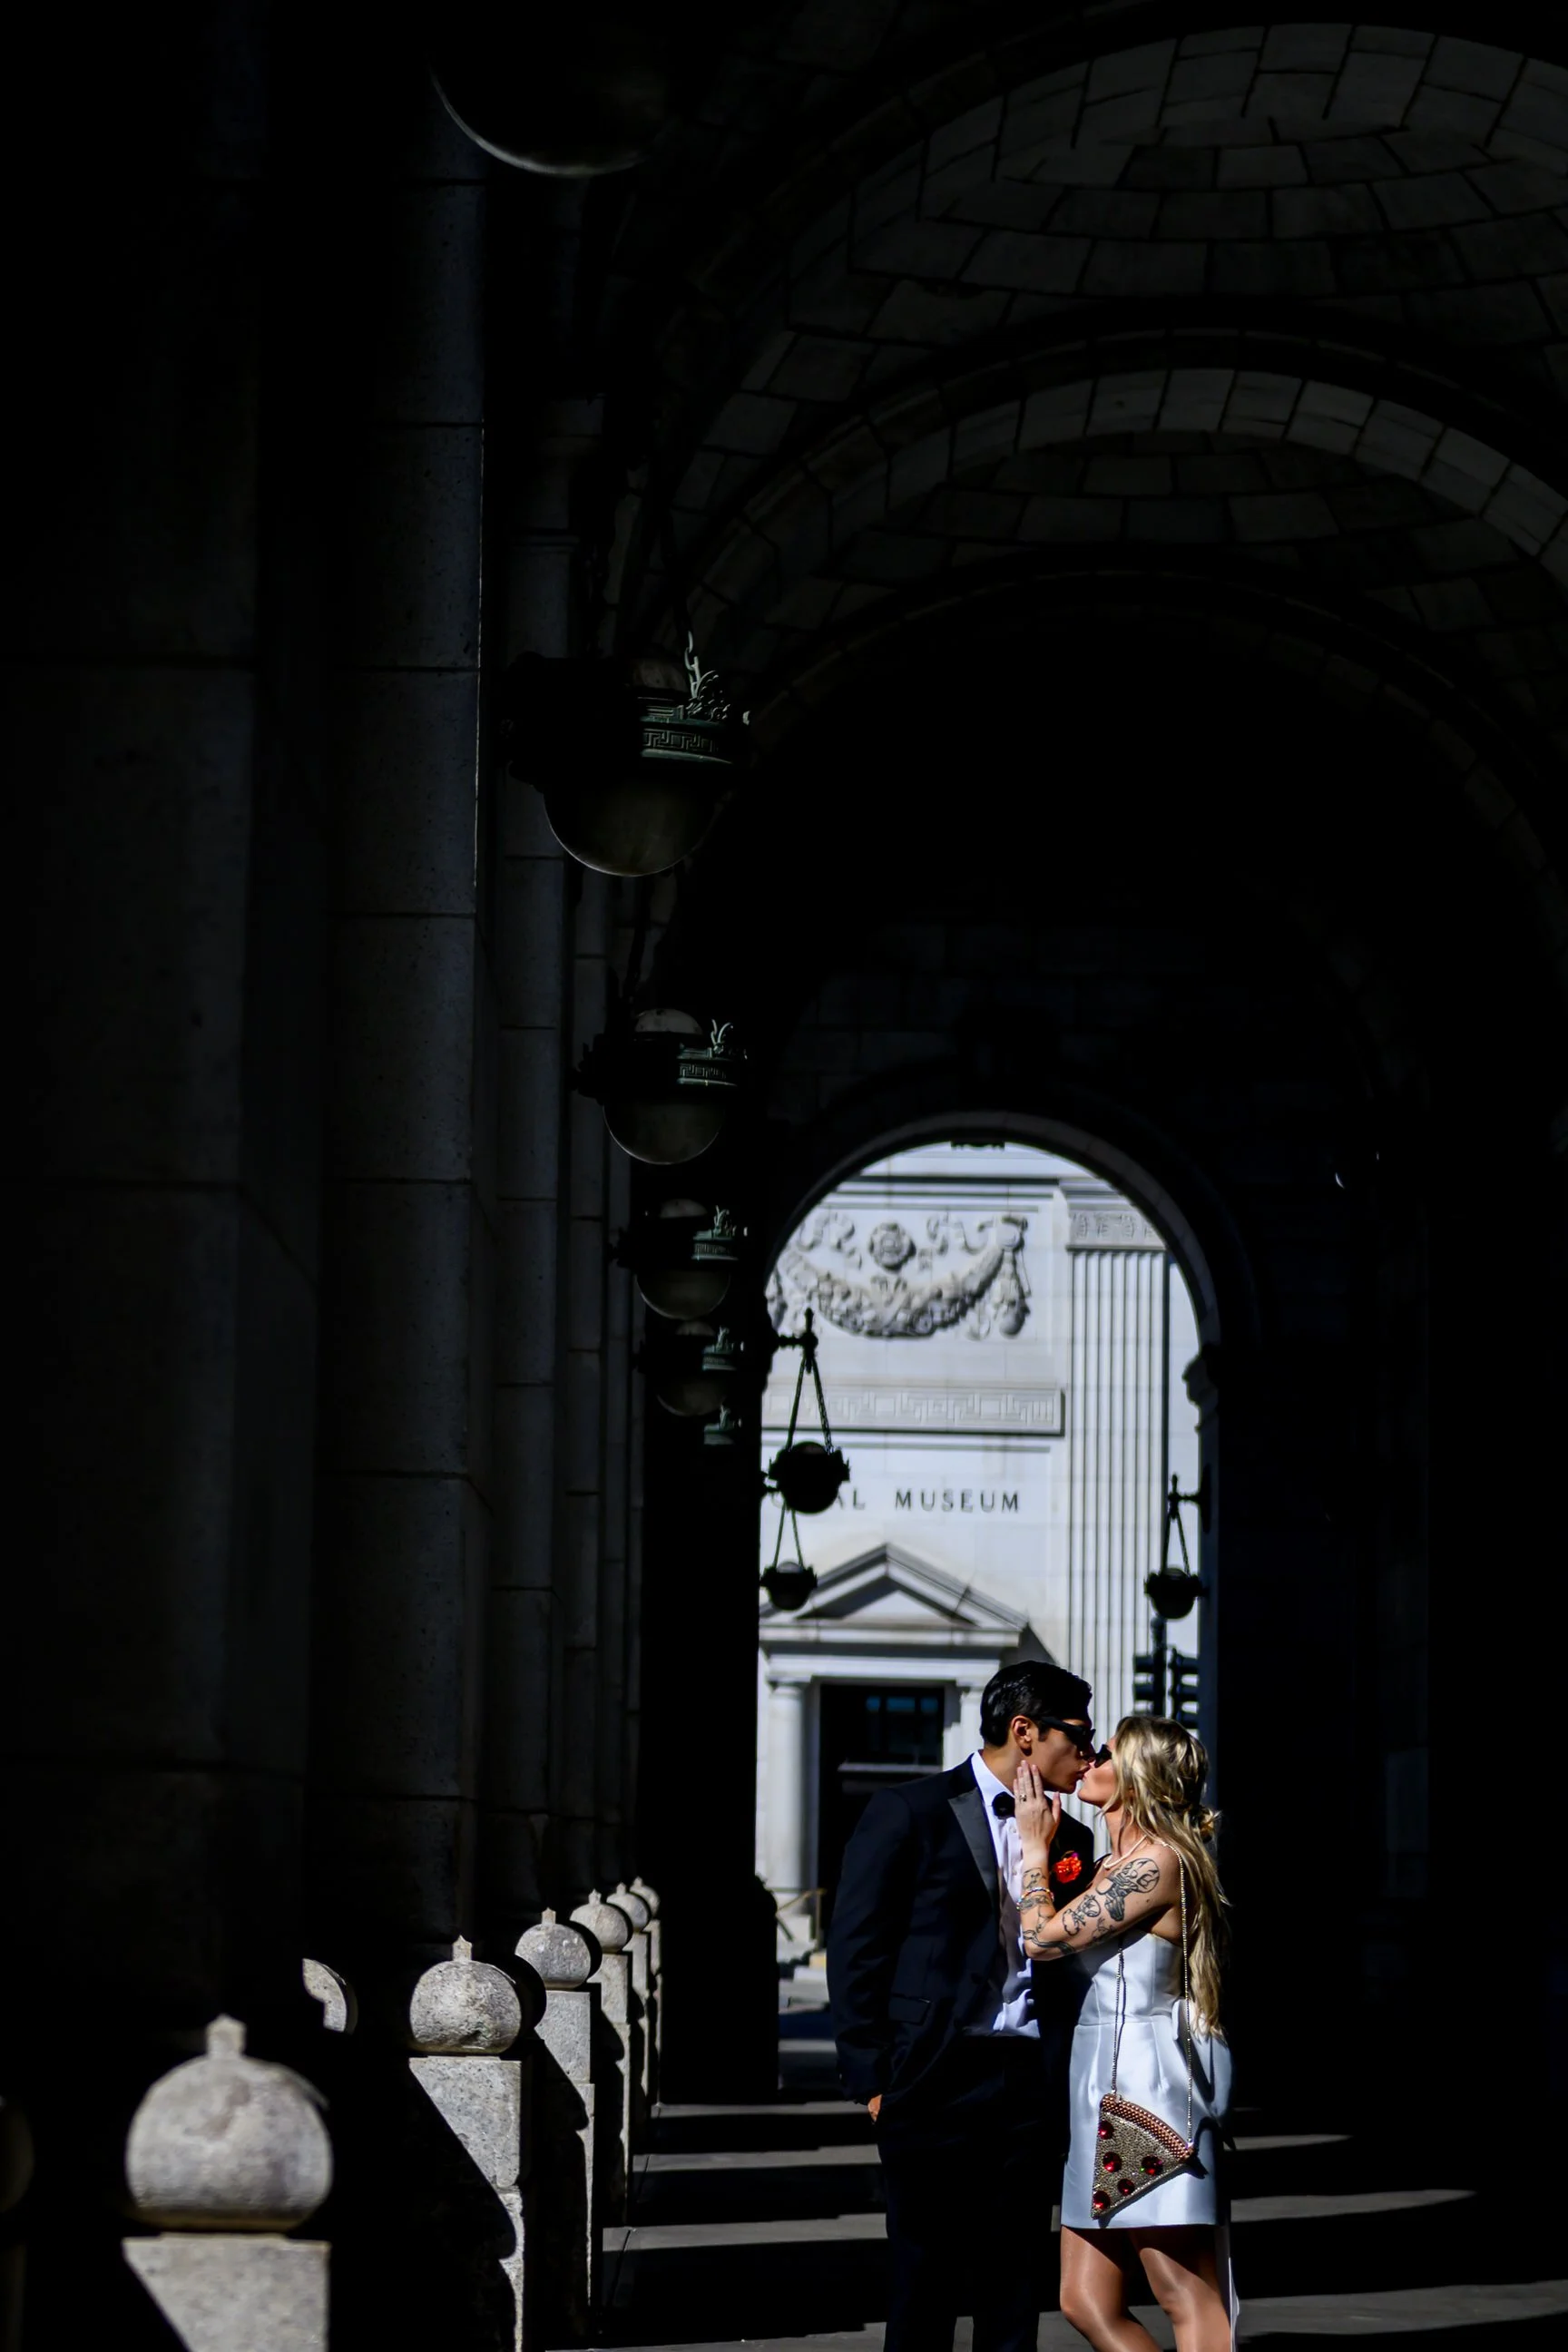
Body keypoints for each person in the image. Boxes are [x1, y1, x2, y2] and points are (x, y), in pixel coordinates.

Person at [828, 1660, 1099, 2352]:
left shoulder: (1072, 1840)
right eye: (1080, 1735)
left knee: (1013, 2286)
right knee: (924, 2281)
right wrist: (873, 2079)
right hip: (931, 2073)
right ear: (1025, 1731)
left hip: (1028, 2078)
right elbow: (858, 1947)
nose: (1090, 1753)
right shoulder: (908, 1811)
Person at [1014, 1715, 1235, 2352]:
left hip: (1146, 2089)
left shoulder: (1159, 1864)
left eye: (1105, 1751)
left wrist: (1033, 1849)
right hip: (1096, 2083)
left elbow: (1042, 1939)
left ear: (1138, 1776)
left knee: (1185, 2294)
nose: (1088, 1759)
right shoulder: (1113, 1862)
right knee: (1083, 2299)